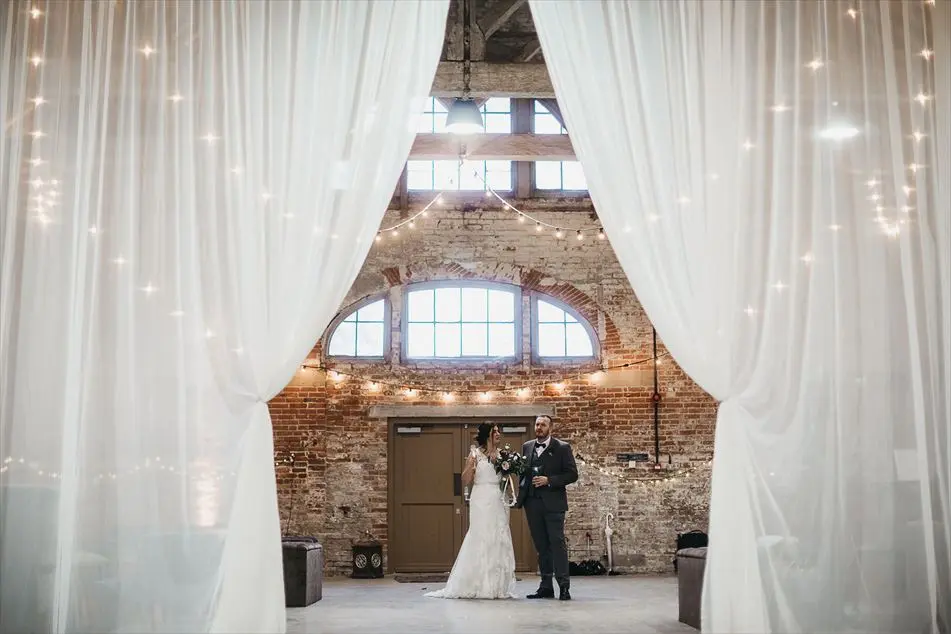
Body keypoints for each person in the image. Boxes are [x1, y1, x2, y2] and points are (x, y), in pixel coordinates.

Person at [424, 423, 517, 599]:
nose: (498, 434)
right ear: (486, 435)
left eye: (498, 431)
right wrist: (471, 467)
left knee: (498, 537)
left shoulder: (503, 455)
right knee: (481, 536)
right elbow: (465, 480)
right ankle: (478, 584)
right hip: (481, 497)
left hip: (497, 498)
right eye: (494, 431)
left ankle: (496, 586)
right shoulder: (475, 454)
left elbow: (506, 480)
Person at [516, 414, 578, 600]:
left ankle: (564, 587)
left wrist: (549, 480)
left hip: (554, 504)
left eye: (543, 424)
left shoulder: (562, 448)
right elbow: (524, 473)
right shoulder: (527, 446)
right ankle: (546, 586)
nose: (539, 427)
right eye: (537, 424)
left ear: (550, 428)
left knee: (557, 544)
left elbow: (572, 474)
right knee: (541, 546)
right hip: (532, 503)